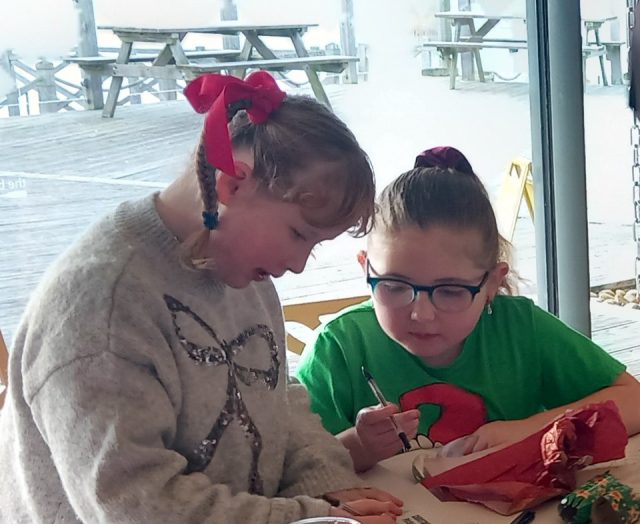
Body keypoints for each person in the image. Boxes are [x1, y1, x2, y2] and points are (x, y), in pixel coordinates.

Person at [0, 72, 404, 523]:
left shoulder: (239, 269)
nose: (297, 265)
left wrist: (330, 488)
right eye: (298, 234)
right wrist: (303, 516)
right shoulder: (101, 311)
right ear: (233, 185)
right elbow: (137, 504)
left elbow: (276, 400)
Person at [296, 146, 640, 472]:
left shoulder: (520, 329)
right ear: (365, 269)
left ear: (491, 284)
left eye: (450, 291)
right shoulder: (338, 348)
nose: (421, 314)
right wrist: (359, 446)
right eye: (395, 286)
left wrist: (528, 430)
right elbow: (292, 468)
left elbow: (634, 401)